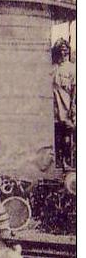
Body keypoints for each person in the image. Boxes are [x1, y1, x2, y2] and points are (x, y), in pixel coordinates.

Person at [51, 39, 76, 168]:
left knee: (67, 137)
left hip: (66, 108)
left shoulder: (73, 68)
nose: (62, 52)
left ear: (68, 51)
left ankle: (67, 162)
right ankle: (58, 162)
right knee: (57, 136)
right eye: (60, 50)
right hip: (54, 108)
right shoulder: (53, 68)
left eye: (65, 50)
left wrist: (73, 107)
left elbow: (75, 90)